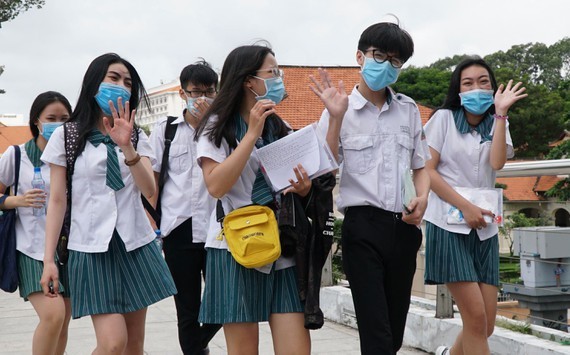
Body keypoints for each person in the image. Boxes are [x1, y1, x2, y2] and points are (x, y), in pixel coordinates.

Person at [194, 43, 345, 355]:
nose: (279, 79)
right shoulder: (216, 125)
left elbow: (320, 168)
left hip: (282, 246)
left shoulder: (280, 125)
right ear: (250, 81)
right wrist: (250, 135)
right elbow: (216, 186)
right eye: (272, 73)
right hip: (234, 248)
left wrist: (335, 119)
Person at [40, 53, 177, 354]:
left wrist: (126, 145)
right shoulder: (67, 135)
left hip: (134, 243)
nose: (121, 87)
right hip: (90, 248)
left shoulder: (137, 135)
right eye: (113, 78)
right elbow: (58, 200)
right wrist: (49, 260)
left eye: (128, 83)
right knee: (113, 344)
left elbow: (149, 188)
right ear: (94, 83)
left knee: (134, 345)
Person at [315, 19, 431, 354]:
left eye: (396, 61)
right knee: (376, 332)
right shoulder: (338, 108)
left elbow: (420, 166)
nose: (386, 65)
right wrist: (335, 117)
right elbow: (324, 166)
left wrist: (421, 199)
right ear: (360, 56)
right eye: (379, 55)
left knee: (394, 331)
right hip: (362, 227)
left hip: (404, 228)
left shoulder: (407, 109)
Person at [422, 56, 527, 355]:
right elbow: (428, 170)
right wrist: (465, 206)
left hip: (486, 229)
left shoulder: (498, 122)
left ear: (493, 88)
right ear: (458, 90)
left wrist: (501, 113)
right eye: (468, 83)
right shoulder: (442, 119)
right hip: (447, 224)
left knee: (485, 324)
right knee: (476, 318)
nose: (476, 88)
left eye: (484, 82)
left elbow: (497, 163)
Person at [148, 59, 221, 354]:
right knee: (187, 310)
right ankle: (195, 349)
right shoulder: (165, 131)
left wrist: (211, 125)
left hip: (219, 227)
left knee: (222, 301)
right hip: (178, 229)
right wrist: (153, 226)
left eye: (209, 92)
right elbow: (151, 185)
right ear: (182, 93)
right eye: (195, 92)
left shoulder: (223, 130)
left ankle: (195, 346)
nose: (202, 98)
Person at [0, 91, 72, 355]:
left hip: (66, 247)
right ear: (36, 122)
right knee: (53, 315)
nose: (58, 124)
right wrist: (15, 201)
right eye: (51, 118)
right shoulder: (17, 155)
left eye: (65, 119)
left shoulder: (72, 157)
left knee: (62, 322)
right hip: (29, 248)